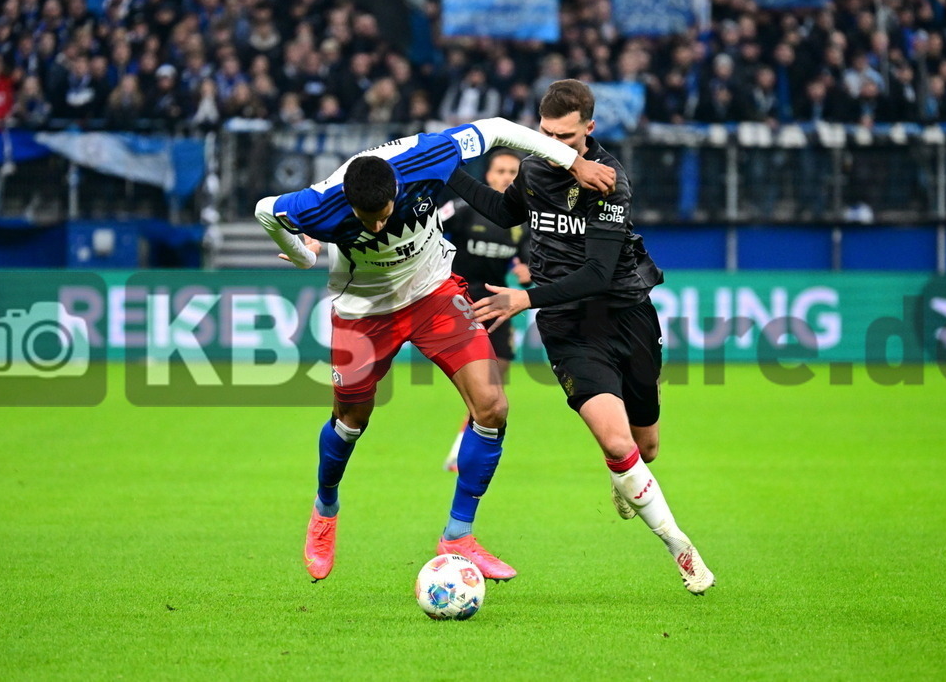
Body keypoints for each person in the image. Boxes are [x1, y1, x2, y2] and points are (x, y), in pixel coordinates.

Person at [254, 116, 615, 582]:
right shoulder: (319, 205)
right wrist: (305, 255)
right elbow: (267, 210)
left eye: (385, 212)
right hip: (364, 312)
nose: (382, 223)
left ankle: (459, 535)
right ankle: (325, 508)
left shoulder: (426, 155)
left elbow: (499, 127)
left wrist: (571, 161)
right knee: (350, 423)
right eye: (371, 221)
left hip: (433, 293)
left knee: (492, 405)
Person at [446, 80, 716, 595]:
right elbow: (505, 213)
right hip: (567, 327)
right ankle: (680, 547)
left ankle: (629, 479)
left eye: (565, 137)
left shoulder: (609, 182)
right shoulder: (533, 168)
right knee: (616, 443)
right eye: (544, 134)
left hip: (625, 316)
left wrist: (523, 298)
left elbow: (597, 272)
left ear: (589, 129)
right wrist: (450, 172)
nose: (552, 146)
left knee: (646, 447)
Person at [440, 148, 531, 472]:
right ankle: (462, 449)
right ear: (488, 175)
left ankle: (463, 445)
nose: (507, 177)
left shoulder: (522, 221)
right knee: (480, 384)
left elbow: (530, 261)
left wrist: (528, 273)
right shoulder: (465, 208)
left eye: (512, 172)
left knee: (496, 382)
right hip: (459, 300)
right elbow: (431, 228)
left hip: (497, 303)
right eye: (501, 171)